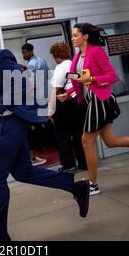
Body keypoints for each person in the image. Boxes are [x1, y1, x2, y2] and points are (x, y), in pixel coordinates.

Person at [0, 25, 90, 241]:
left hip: (7, 124)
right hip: (0, 124)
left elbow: (21, 85)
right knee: (24, 173)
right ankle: (76, 186)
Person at [58, 23, 129, 195]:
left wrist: (92, 78)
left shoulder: (96, 52)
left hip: (100, 100)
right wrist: (69, 93)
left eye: (75, 35)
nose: (72, 38)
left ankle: (93, 184)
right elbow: (80, 80)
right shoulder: (77, 56)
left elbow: (112, 76)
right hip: (91, 101)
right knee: (111, 141)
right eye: (72, 35)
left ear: (85, 36)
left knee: (86, 141)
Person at [48, 41, 87, 172]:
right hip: (78, 103)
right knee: (78, 134)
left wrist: (50, 109)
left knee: (62, 135)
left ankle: (68, 164)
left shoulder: (61, 67)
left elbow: (57, 88)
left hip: (65, 104)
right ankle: (84, 162)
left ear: (56, 55)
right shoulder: (74, 64)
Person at [21, 43, 49, 166]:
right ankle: (43, 147)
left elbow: (30, 81)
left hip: (36, 98)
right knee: (43, 121)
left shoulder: (31, 64)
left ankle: (35, 152)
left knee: (34, 124)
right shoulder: (41, 60)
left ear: (30, 51)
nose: (23, 55)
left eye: (24, 53)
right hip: (44, 95)